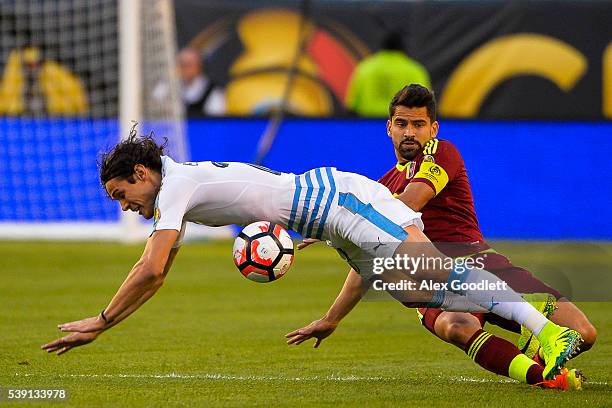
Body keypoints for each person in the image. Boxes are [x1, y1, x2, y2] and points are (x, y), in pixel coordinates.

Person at [42, 131, 582, 382]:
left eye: (122, 196)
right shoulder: (179, 188)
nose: (127, 208)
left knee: (438, 274)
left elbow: (152, 267)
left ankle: (547, 327)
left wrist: (103, 320)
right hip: (331, 223)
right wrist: (330, 318)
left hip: (342, 202)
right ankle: (545, 369)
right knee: (430, 295)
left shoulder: (174, 185)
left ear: (141, 175)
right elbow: (157, 274)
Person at [286, 84, 595, 390]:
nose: (410, 132)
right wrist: (332, 318)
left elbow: (413, 200)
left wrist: (347, 217)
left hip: (481, 263)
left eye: (419, 124)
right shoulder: (379, 189)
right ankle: (543, 378)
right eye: (402, 124)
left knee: (583, 332)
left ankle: (540, 353)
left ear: (433, 128)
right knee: (455, 325)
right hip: (429, 283)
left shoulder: (440, 152)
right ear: (389, 128)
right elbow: (367, 266)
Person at [345, 32, 431, 117]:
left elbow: (352, 105)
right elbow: (426, 104)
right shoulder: (414, 70)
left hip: (369, 125)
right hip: (403, 124)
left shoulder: (365, 68)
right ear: (403, 48)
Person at [177, 47, 225, 117]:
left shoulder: (214, 91)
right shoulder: (170, 89)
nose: (185, 68)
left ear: (199, 66)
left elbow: (217, 122)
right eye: (182, 64)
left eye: (189, 64)